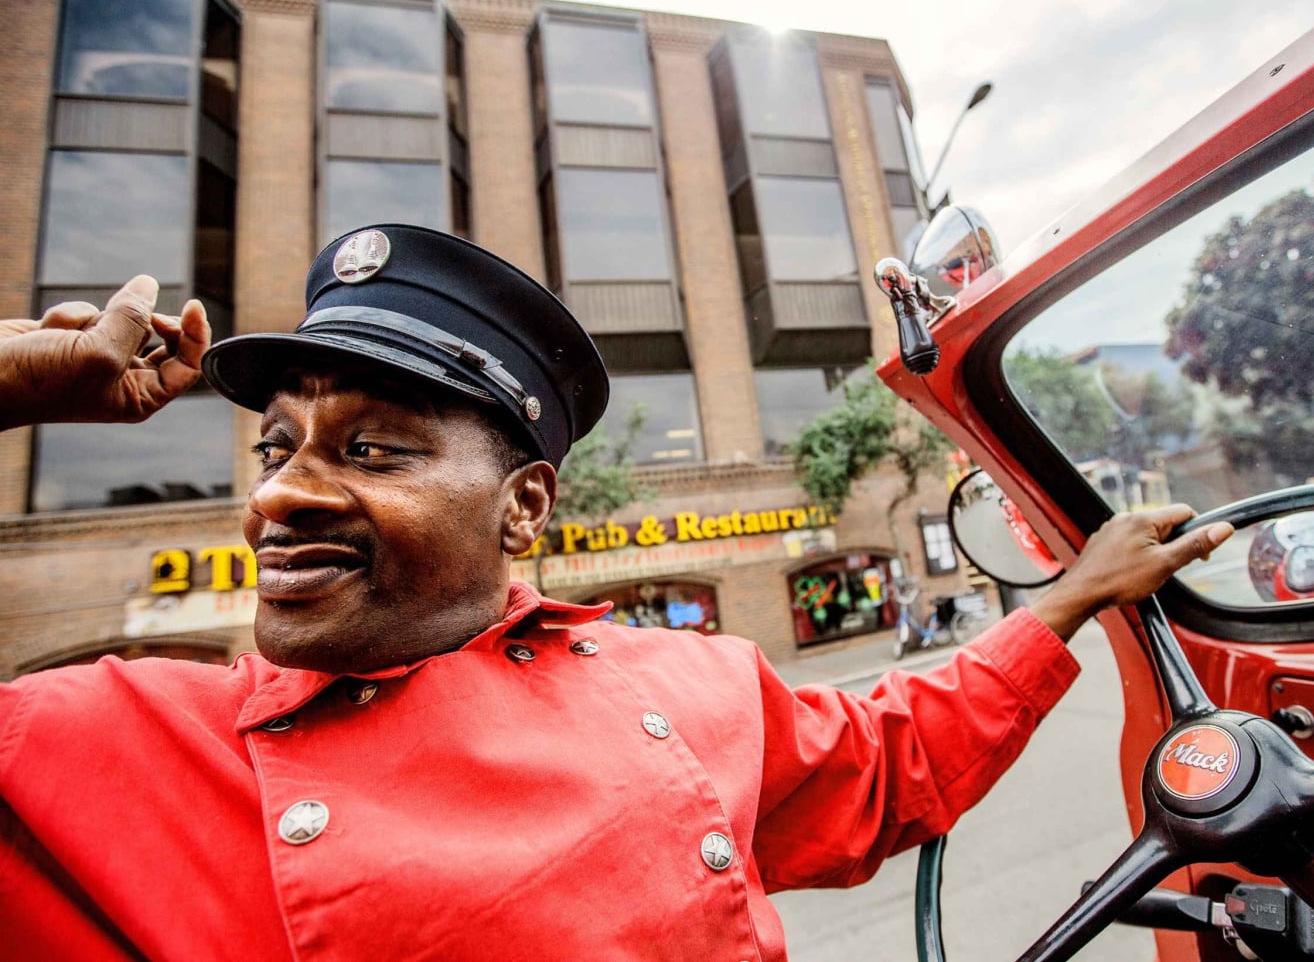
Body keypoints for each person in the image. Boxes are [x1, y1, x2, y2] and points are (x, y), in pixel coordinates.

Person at [0, 225, 1234, 960]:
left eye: (373, 447)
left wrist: (1071, 596)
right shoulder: (107, 746)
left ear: (526, 505)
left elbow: (891, 754)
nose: (280, 495)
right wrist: (14, 376)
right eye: (277, 447)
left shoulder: (682, 676)